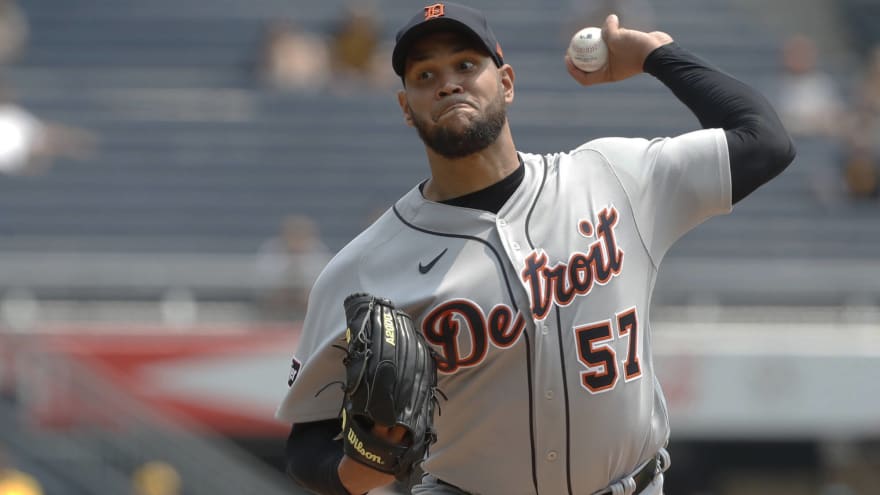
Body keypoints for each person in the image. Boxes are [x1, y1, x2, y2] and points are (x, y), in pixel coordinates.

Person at [277, 3, 795, 495]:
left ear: (506, 83)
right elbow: (305, 443)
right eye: (424, 75)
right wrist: (352, 472)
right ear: (406, 108)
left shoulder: (612, 177)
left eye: (465, 64)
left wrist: (658, 56)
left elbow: (765, 141)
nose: (448, 82)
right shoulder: (364, 267)